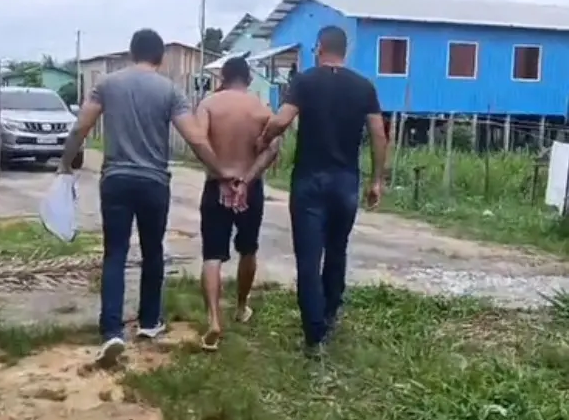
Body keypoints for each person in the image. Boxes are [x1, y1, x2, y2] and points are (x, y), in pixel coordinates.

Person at [58, 28, 233, 366]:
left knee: (115, 253)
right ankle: (150, 322)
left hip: (116, 180)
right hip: (154, 183)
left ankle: (111, 331)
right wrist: (220, 171)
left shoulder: (107, 85)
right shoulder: (169, 90)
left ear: (131, 52)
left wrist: (66, 162)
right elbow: (196, 139)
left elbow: (80, 127)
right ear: (160, 57)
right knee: (153, 251)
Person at [257, 26, 388, 358]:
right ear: (345, 51)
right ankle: (329, 314)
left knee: (308, 257)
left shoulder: (304, 81)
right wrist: (376, 180)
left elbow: (282, 120)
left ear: (318, 48)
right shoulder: (364, 86)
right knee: (337, 250)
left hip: (309, 180)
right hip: (346, 182)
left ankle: (314, 336)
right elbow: (378, 134)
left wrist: (264, 138)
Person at [196, 56, 281, 351]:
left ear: (223, 77)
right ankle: (241, 306)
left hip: (216, 186)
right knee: (248, 249)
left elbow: (199, 142)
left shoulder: (208, 105)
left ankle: (213, 319)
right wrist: (245, 179)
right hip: (250, 187)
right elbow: (272, 149)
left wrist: (221, 175)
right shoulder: (261, 108)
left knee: (212, 255)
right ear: (248, 78)